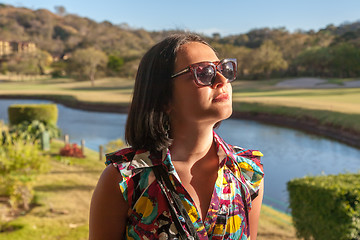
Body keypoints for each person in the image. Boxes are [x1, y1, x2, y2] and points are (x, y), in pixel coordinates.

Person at [89, 33, 264, 240]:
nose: (222, 80)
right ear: (164, 98)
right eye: (204, 72)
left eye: (223, 69)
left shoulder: (247, 173)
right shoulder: (126, 179)